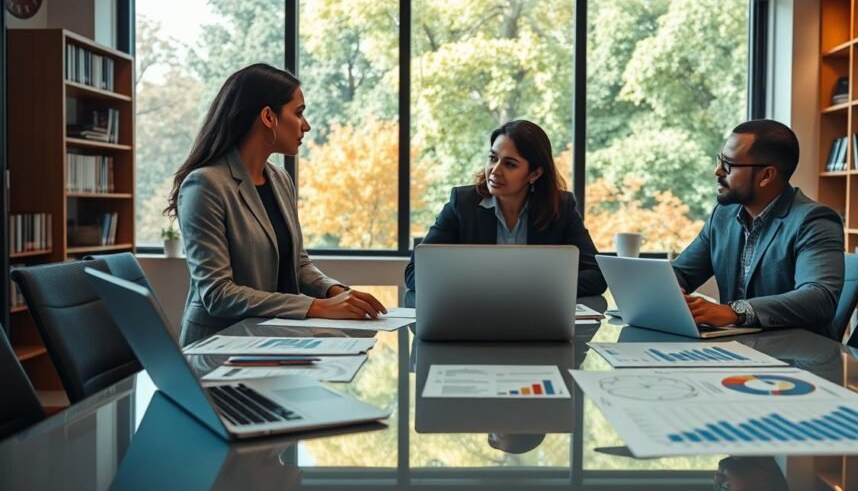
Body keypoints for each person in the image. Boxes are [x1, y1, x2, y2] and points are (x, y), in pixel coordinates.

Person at [167, 63, 386, 346]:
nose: (305, 125)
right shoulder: (206, 185)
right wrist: (316, 307)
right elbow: (217, 293)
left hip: (272, 340)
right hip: (217, 347)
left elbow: (299, 264)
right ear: (268, 117)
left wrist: (335, 292)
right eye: (298, 113)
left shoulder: (280, 179)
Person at [671, 119, 844, 338]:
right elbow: (682, 272)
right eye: (720, 161)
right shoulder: (723, 216)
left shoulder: (813, 221)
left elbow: (819, 297)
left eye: (729, 165)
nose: (718, 171)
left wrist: (735, 312)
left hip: (798, 355)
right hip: (738, 348)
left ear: (766, 176)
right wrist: (671, 292)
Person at [404, 119, 606, 297]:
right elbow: (414, 273)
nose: (495, 170)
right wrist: (476, 288)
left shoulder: (561, 207)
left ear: (534, 174)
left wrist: (534, 288)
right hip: (473, 318)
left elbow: (596, 276)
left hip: (537, 319)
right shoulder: (462, 204)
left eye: (510, 164)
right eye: (493, 158)